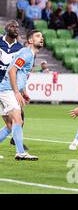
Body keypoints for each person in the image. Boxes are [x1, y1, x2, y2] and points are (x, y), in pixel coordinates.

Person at [0, 29, 44, 160]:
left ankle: (20, 152)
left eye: (42, 36)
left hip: (4, 90)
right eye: (37, 36)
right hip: (7, 90)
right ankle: (20, 152)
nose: (41, 38)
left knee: (9, 126)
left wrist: (23, 92)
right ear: (30, 40)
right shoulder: (26, 53)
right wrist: (16, 92)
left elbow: (21, 74)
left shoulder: (29, 54)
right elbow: (12, 71)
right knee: (18, 120)